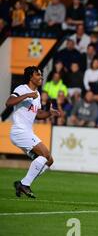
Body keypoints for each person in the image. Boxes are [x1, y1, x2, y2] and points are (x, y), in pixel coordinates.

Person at [6, 66, 60, 198]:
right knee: (45, 154)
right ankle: (25, 184)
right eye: (37, 75)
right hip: (19, 131)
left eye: (41, 75)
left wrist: (49, 113)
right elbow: (9, 102)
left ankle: (23, 184)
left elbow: (38, 114)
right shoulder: (22, 89)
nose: (41, 77)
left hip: (27, 132)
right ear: (31, 77)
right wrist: (27, 95)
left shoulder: (38, 94)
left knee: (48, 160)